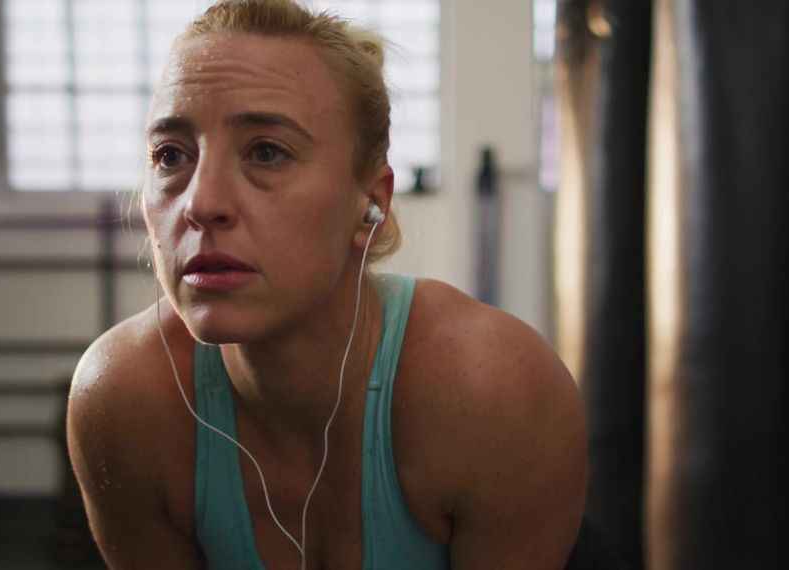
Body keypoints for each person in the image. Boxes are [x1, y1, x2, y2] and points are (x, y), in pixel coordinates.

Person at [66, 1, 587, 568]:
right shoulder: (124, 399)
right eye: (171, 155)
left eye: (267, 151)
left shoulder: (493, 393)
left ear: (372, 203)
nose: (202, 203)